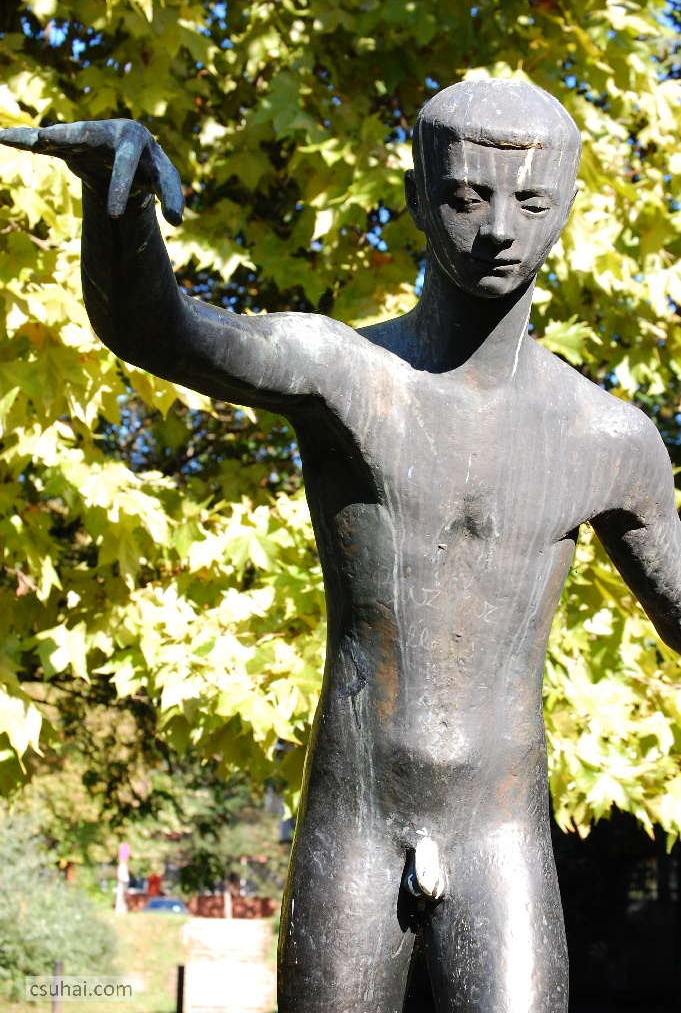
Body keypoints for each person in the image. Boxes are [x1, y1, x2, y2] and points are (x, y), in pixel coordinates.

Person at [2, 79, 680, 1012]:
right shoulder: (343, 373)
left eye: (530, 202)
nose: (497, 230)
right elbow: (160, 330)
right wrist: (116, 209)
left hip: (501, 836)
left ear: (565, 205)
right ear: (416, 198)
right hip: (354, 825)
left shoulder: (606, 438)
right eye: (466, 196)